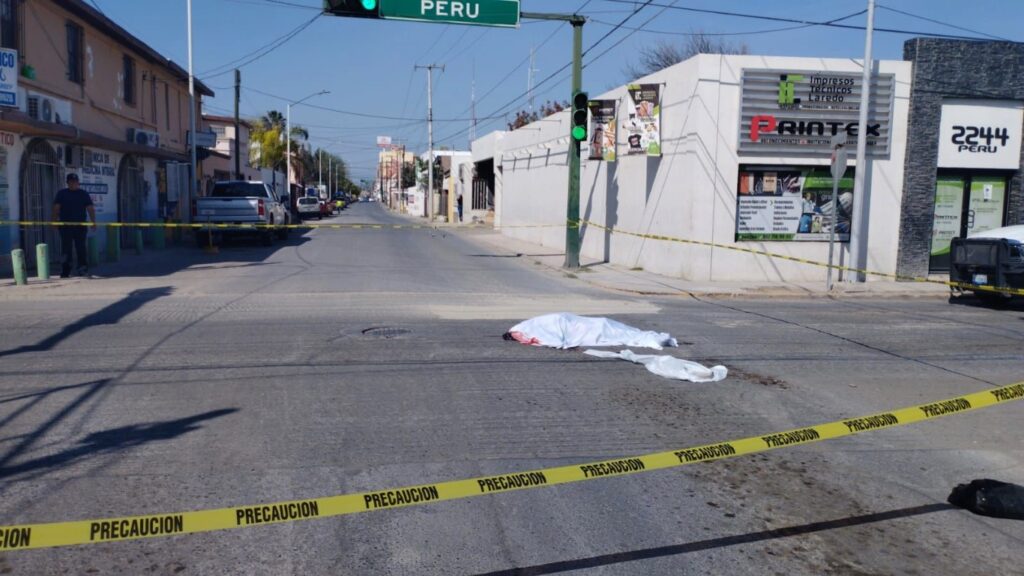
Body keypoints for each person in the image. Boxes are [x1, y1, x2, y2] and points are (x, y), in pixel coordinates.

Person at [52, 173, 95, 278]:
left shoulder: (83, 194)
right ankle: (66, 270)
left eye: (75, 182)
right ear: (67, 183)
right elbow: (56, 208)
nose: (73, 184)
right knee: (66, 249)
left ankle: (82, 269)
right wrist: (54, 221)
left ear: (78, 182)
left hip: (80, 226)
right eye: (71, 182)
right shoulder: (62, 194)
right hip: (65, 226)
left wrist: (93, 222)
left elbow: (90, 208)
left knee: (81, 248)